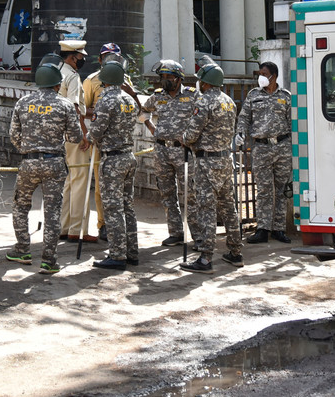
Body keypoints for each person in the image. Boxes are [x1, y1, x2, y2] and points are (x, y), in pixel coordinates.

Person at [7, 59, 84, 274]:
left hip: (28, 163)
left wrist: (28, 148)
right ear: (57, 85)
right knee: (52, 211)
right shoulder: (65, 105)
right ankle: (49, 260)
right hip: (55, 163)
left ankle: (22, 249)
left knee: (21, 205)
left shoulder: (23, 103)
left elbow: (14, 135)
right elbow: (75, 136)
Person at [180, 60, 243, 274]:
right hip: (225, 160)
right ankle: (235, 252)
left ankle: (206, 258)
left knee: (207, 208)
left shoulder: (204, 102)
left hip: (207, 162)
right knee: (229, 208)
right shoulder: (229, 102)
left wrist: (185, 139)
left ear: (205, 83)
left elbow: (191, 134)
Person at [137, 59, 196, 246]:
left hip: (184, 152)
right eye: (162, 77)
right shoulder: (157, 96)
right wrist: (152, 128)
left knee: (190, 193)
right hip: (162, 150)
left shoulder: (192, 96)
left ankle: (198, 236)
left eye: (169, 77)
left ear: (179, 79)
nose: (165, 80)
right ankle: (176, 232)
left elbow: (202, 117)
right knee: (167, 192)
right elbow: (143, 111)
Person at [87, 58, 140, 270]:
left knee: (113, 208)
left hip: (112, 158)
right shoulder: (129, 99)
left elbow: (97, 129)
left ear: (104, 80)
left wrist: (89, 139)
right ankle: (132, 252)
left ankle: (117, 255)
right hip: (128, 155)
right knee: (128, 206)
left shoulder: (106, 100)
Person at [238, 61, 294, 244]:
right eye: (259, 74)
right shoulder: (254, 95)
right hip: (261, 148)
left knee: (281, 190)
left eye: (264, 73)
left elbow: (292, 122)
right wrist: (240, 134)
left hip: (282, 147)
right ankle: (262, 229)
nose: (260, 77)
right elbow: (244, 117)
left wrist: (292, 146)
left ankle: (278, 229)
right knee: (263, 189)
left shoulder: (286, 96)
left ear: (274, 76)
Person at [58, 40, 95, 243]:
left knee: (68, 182)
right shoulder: (72, 76)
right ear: (73, 57)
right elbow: (74, 108)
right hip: (73, 136)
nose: (82, 60)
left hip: (58, 136)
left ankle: (64, 227)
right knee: (80, 180)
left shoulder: (56, 72)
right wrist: (82, 134)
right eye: (81, 56)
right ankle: (77, 229)